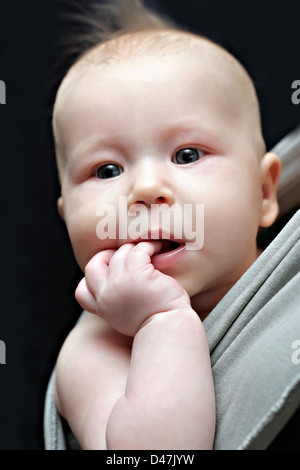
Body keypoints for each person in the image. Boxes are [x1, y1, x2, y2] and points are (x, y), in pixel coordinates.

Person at [49, 0, 282, 450]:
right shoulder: (93, 352)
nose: (147, 188)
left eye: (187, 155)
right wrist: (160, 321)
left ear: (265, 192)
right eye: (107, 170)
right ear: (68, 220)